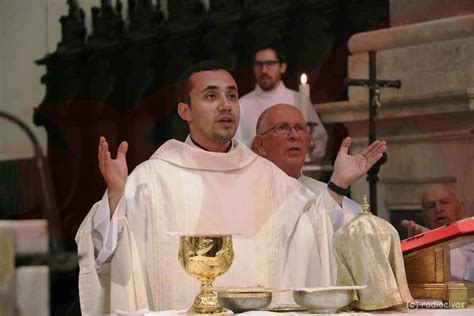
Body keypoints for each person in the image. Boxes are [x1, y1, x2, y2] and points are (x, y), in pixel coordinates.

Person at [75, 61, 386, 314]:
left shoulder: (265, 175)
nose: (225, 105)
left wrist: (339, 183)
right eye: (211, 96)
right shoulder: (150, 180)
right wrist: (115, 197)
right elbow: (104, 254)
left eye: (232, 96)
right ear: (185, 111)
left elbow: (315, 230)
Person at [252, 104, 360, 231]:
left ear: (308, 141)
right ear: (260, 144)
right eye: (282, 128)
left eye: (300, 128)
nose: (294, 135)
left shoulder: (328, 194)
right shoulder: (244, 194)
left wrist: (340, 183)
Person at [235, 44, 328, 160]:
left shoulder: (298, 99)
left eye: (270, 63)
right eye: (259, 64)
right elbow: (236, 147)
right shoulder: (242, 104)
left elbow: (319, 139)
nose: (264, 70)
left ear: (282, 67)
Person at [401, 184, 473, 281]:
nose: (438, 209)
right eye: (431, 206)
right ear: (424, 217)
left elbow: (466, 275)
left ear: (460, 209)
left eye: (445, 202)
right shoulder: (418, 243)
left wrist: (432, 240)